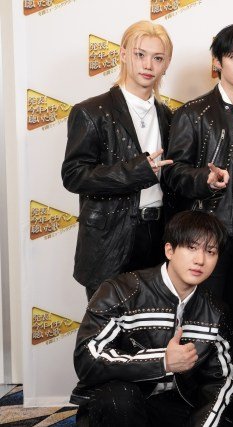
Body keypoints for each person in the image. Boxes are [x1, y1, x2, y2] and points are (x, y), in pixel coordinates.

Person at [162, 24, 233, 411]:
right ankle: (200, 405)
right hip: (206, 232)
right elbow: (172, 173)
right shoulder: (194, 113)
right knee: (202, 321)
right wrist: (204, 181)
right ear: (218, 62)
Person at [71, 210, 233, 427]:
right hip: (123, 403)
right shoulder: (121, 291)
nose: (200, 260)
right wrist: (162, 362)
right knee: (119, 398)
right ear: (169, 250)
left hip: (175, 405)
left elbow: (221, 381)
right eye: (191, 247)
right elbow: (87, 359)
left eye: (211, 251)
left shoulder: (215, 311)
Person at [61, 20, 174, 300]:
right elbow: (74, 175)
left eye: (157, 58)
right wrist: (137, 171)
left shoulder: (168, 116)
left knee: (153, 323)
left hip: (160, 236)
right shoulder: (91, 112)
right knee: (107, 323)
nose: (148, 65)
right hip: (110, 239)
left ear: (166, 64)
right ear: (123, 54)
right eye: (140, 54)